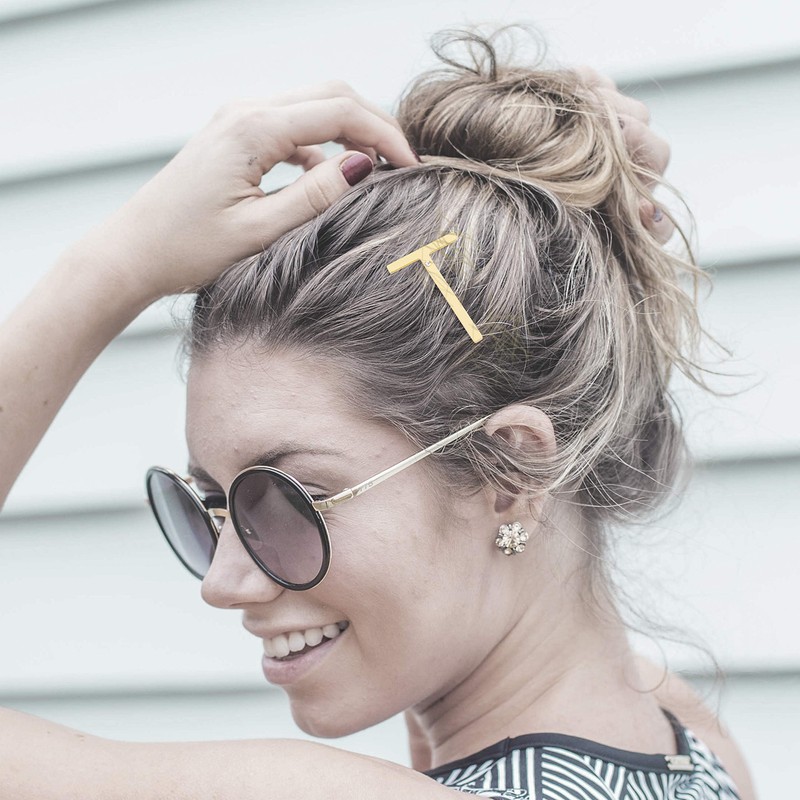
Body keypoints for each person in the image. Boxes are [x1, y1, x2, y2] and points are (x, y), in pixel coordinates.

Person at [0, 29, 755, 800]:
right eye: (211, 508)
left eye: (288, 499)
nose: (224, 584)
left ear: (512, 470)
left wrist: (114, 266)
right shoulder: (692, 744)